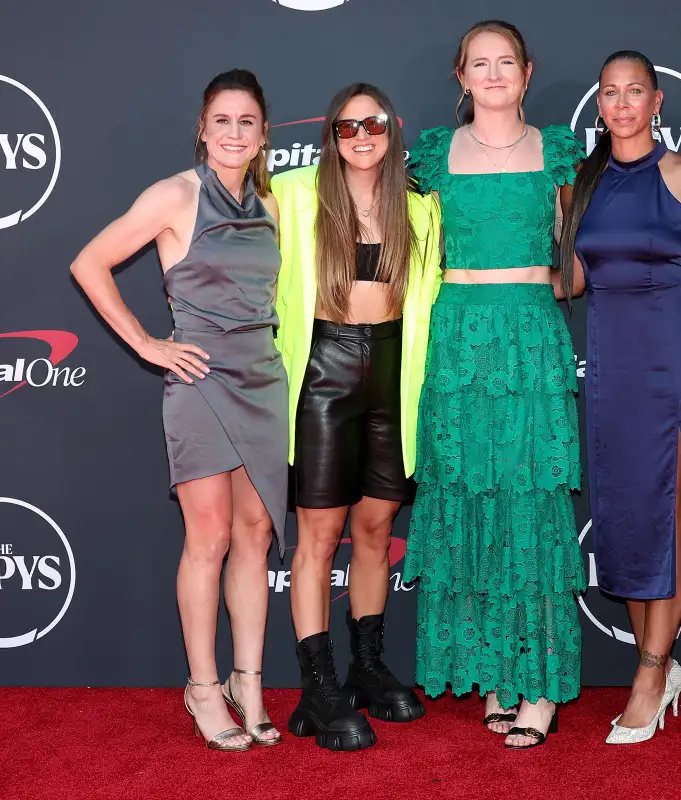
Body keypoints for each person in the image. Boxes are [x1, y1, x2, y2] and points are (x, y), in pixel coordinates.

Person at [70, 69, 286, 751]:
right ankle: (201, 686)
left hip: (264, 376)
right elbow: (89, 262)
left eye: (245, 121)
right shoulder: (174, 195)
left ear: (261, 134)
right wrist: (146, 343)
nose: (232, 133)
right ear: (202, 128)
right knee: (211, 536)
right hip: (199, 379)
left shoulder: (272, 206)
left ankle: (247, 682)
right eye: (221, 120)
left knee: (256, 536)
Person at [402, 19, 587, 750]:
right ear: (460, 76)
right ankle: (494, 674)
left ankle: (538, 683)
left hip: (530, 338)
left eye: (505, 61)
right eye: (479, 63)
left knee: (530, 504)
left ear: (528, 71)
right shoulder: (433, 156)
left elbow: (579, 259)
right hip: (457, 340)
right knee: (467, 502)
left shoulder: (558, 153)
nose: (493, 73)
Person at [271, 83, 442, 752]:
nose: (362, 136)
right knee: (318, 536)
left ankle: (367, 668)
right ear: (333, 137)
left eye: (373, 124)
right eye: (347, 127)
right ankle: (318, 686)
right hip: (322, 371)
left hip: (396, 372)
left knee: (376, 528)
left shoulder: (421, 209)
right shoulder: (292, 195)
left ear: (392, 130)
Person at [557, 50, 681, 745]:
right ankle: (659, 663)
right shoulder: (578, 187)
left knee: (671, 510)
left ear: (658, 102)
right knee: (627, 514)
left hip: (675, 360)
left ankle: (652, 672)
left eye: (635, 92)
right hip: (613, 369)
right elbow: (567, 283)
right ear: (599, 105)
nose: (622, 104)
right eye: (610, 93)